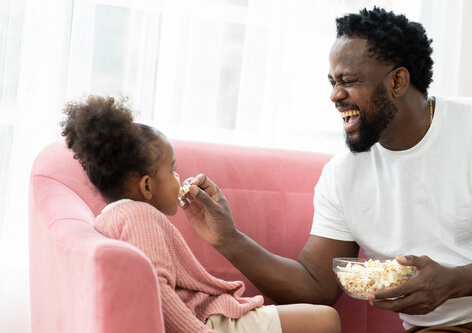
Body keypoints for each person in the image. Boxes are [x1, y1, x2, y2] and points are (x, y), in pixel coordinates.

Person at [178, 7, 472, 332]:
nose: (335, 95)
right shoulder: (343, 175)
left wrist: (455, 282)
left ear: (397, 81)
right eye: (333, 83)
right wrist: (229, 239)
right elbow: (315, 284)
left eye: (348, 81)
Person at [60, 95, 341, 333]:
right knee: (326, 319)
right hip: (205, 321)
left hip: (204, 317)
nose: (177, 176)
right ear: (147, 185)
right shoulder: (140, 216)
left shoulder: (108, 218)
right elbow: (157, 290)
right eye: (171, 170)